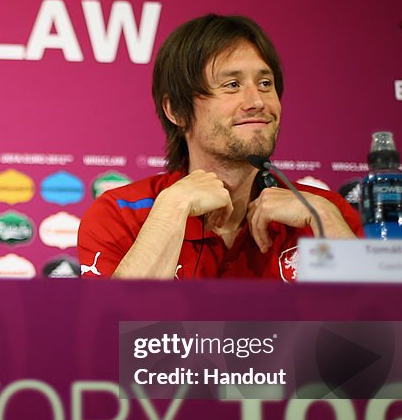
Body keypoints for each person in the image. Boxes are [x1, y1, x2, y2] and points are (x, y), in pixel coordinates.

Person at [77, 14, 360, 281]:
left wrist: (325, 220)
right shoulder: (121, 214)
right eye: (232, 85)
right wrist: (171, 210)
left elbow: (381, 327)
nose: (257, 101)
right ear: (176, 110)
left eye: (265, 83)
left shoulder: (326, 210)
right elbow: (111, 326)